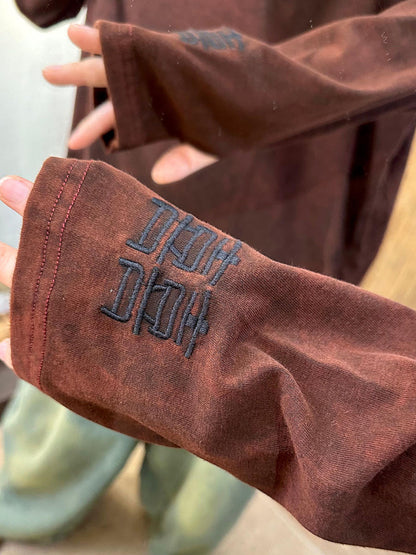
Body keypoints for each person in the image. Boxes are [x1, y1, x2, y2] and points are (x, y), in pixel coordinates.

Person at [2, 0, 416, 552]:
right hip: (137, 178)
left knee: (211, 469)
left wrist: (266, 82)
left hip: (289, 223)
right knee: (62, 444)